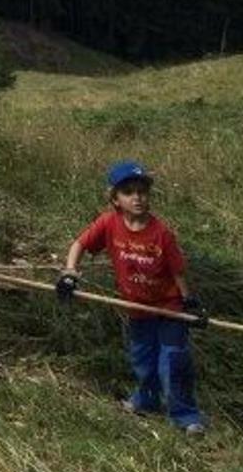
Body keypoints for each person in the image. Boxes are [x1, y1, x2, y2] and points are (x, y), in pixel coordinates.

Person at [58, 160, 207, 435]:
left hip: (169, 309)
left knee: (173, 362)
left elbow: (178, 272)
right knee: (143, 360)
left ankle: (186, 416)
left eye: (142, 191)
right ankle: (146, 400)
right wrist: (69, 274)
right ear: (115, 198)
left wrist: (190, 302)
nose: (137, 197)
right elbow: (79, 244)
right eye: (128, 192)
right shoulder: (108, 223)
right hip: (137, 308)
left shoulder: (161, 233)